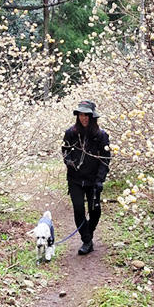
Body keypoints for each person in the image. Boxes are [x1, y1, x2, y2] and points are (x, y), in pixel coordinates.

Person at [62, 100, 111, 255]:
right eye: (81, 115)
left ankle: (88, 233)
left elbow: (105, 159)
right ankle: (86, 240)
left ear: (92, 117)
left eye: (87, 115)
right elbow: (65, 150)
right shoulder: (71, 133)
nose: (84, 118)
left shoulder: (101, 136)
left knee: (95, 210)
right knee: (78, 209)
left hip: (93, 180)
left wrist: (100, 180)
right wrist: (68, 160)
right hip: (75, 179)